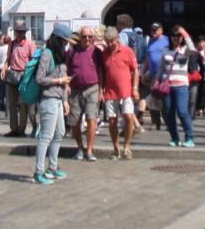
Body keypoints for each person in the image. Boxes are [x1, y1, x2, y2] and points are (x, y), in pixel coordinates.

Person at [32, 24, 72, 184]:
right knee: (46, 136)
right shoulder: (47, 53)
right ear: (57, 39)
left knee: (59, 133)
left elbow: (65, 81)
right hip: (48, 99)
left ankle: (52, 167)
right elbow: (39, 78)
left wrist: (65, 100)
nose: (66, 44)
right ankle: (38, 172)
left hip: (58, 100)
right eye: (64, 41)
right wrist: (59, 80)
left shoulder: (60, 55)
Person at [100, 26, 140, 160]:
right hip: (110, 92)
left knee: (128, 116)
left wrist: (135, 88)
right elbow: (102, 74)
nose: (110, 44)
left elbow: (135, 70)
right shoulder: (104, 53)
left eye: (112, 41)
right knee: (112, 120)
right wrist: (101, 90)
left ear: (117, 39)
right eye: (107, 42)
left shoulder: (127, 51)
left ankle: (127, 147)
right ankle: (116, 147)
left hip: (126, 91)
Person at [67, 26, 103, 161]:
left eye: (89, 36)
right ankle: (80, 148)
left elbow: (101, 72)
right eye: (84, 36)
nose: (87, 39)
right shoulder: (72, 52)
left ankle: (89, 150)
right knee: (74, 121)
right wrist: (67, 86)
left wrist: (101, 90)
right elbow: (67, 70)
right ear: (80, 37)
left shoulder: (97, 52)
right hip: (75, 90)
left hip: (92, 88)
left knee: (91, 118)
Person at [161, 26, 196, 147]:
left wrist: (184, 33)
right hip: (167, 86)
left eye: (178, 36)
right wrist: (157, 79)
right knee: (168, 113)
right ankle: (174, 138)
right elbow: (161, 67)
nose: (176, 38)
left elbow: (193, 50)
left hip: (181, 86)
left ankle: (189, 137)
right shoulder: (166, 50)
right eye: (174, 36)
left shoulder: (185, 50)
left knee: (182, 111)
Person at [2, 18, 35, 137]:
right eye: (18, 31)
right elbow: (8, 60)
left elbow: (33, 61)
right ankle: (14, 128)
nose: (20, 34)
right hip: (12, 74)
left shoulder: (30, 44)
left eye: (22, 31)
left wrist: (29, 76)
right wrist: (4, 69)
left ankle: (21, 129)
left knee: (23, 104)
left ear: (25, 32)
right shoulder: (11, 44)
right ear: (15, 32)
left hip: (24, 75)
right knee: (11, 104)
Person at [140, 22, 168, 130]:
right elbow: (148, 58)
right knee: (152, 99)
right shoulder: (150, 41)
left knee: (164, 99)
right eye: (152, 30)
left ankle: (168, 122)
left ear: (161, 30)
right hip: (152, 74)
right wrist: (143, 71)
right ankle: (155, 122)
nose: (153, 32)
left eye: (156, 30)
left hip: (164, 74)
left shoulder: (167, 40)